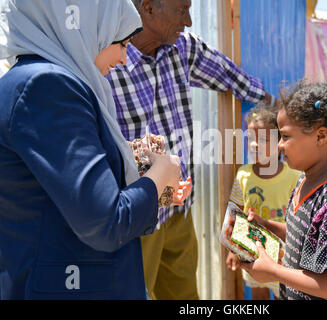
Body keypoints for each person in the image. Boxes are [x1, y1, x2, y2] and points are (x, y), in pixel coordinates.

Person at [0, 0, 187, 299]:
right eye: (122, 43)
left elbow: (57, 191)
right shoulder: (47, 86)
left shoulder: (36, 82)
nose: (125, 59)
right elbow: (105, 223)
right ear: (85, 31)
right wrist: (161, 173)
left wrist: (137, 168)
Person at [107, 0, 275, 300]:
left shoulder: (182, 48)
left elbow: (228, 74)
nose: (189, 21)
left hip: (178, 210)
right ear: (148, 8)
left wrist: (273, 103)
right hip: (135, 218)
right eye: (182, 9)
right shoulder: (107, 61)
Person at [240, 81, 327, 300]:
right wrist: (268, 226)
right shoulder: (306, 178)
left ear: (321, 136)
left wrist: (274, 272)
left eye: (285, 136)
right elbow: (309, 235)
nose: (279, 145)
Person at [226, 105, 301, 300]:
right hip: (251, 251)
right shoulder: (243, 174)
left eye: (262, 140)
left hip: (283, 256)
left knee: (282, 294)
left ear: (279, 143)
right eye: (250, 138)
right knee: (258, 294)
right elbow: (235, 212)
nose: (254, 145)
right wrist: (232, 249)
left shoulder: (294, 176)